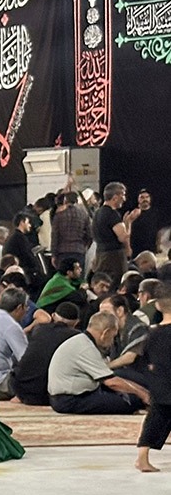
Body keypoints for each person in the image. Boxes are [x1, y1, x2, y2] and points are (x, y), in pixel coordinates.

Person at [48, 311, 148, 414]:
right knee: (132, 401)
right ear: (105, 333)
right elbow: (111, 382)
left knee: (125, 383)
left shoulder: (81, 341)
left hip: (70, 396)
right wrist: (143, 394)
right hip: (71, 400)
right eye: (113, 336)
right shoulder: (86, 348)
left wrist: (141, 390)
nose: (112, 342)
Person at [11, 301, 82, 406]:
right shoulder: (76, 337)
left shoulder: (39, 330)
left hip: (19, 387)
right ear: (76, 322)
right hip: (43, 394)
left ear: (53, 316)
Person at [135, 283, 171, 472]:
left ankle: (142, 458)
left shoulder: (152, 333)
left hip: (160, 384)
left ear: (157, 305)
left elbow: (145, 358)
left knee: (154, 421)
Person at [0, 288, 34, 400]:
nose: (27, 310)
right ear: (19, 308)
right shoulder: (12, 326)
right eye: (26, 307)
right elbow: (26, 360)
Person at [93, 182, 133, 281]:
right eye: (123, 195)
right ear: (115, 197)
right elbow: (123, 237)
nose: (124, 199)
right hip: (113, 258)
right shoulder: (112, 214)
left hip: (100, 255)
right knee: (115, 284)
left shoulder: (98, 213)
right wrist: (129, 222)